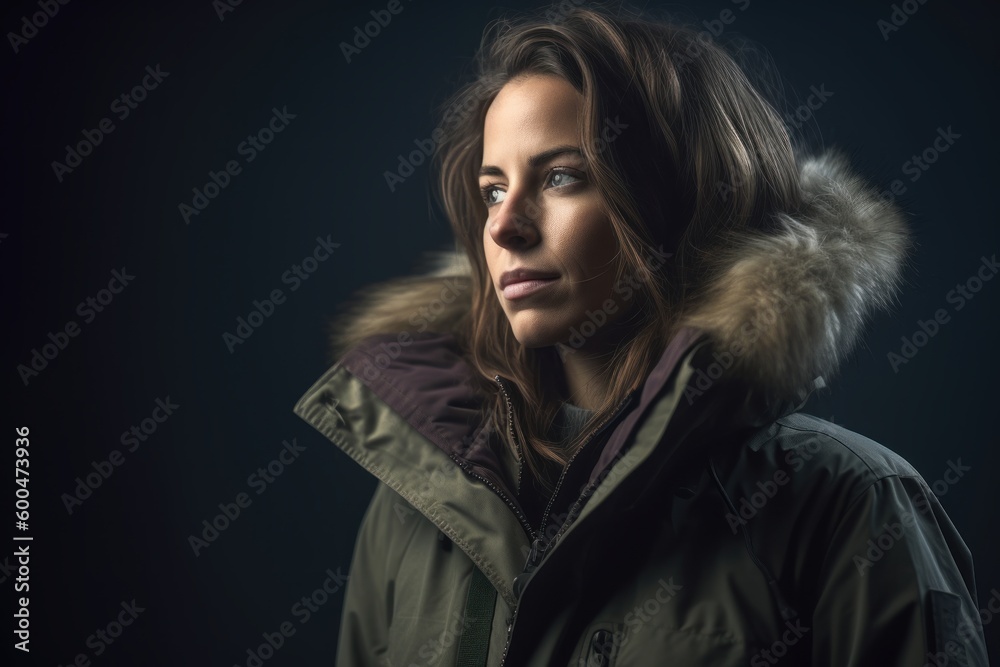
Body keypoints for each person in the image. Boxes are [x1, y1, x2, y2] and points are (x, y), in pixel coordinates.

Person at [293, 5, 989, 665]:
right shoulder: (414, 507)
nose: (504, 226)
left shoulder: (845, 503)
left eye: (561, 177)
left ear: (682, 199)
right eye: (494, 189)